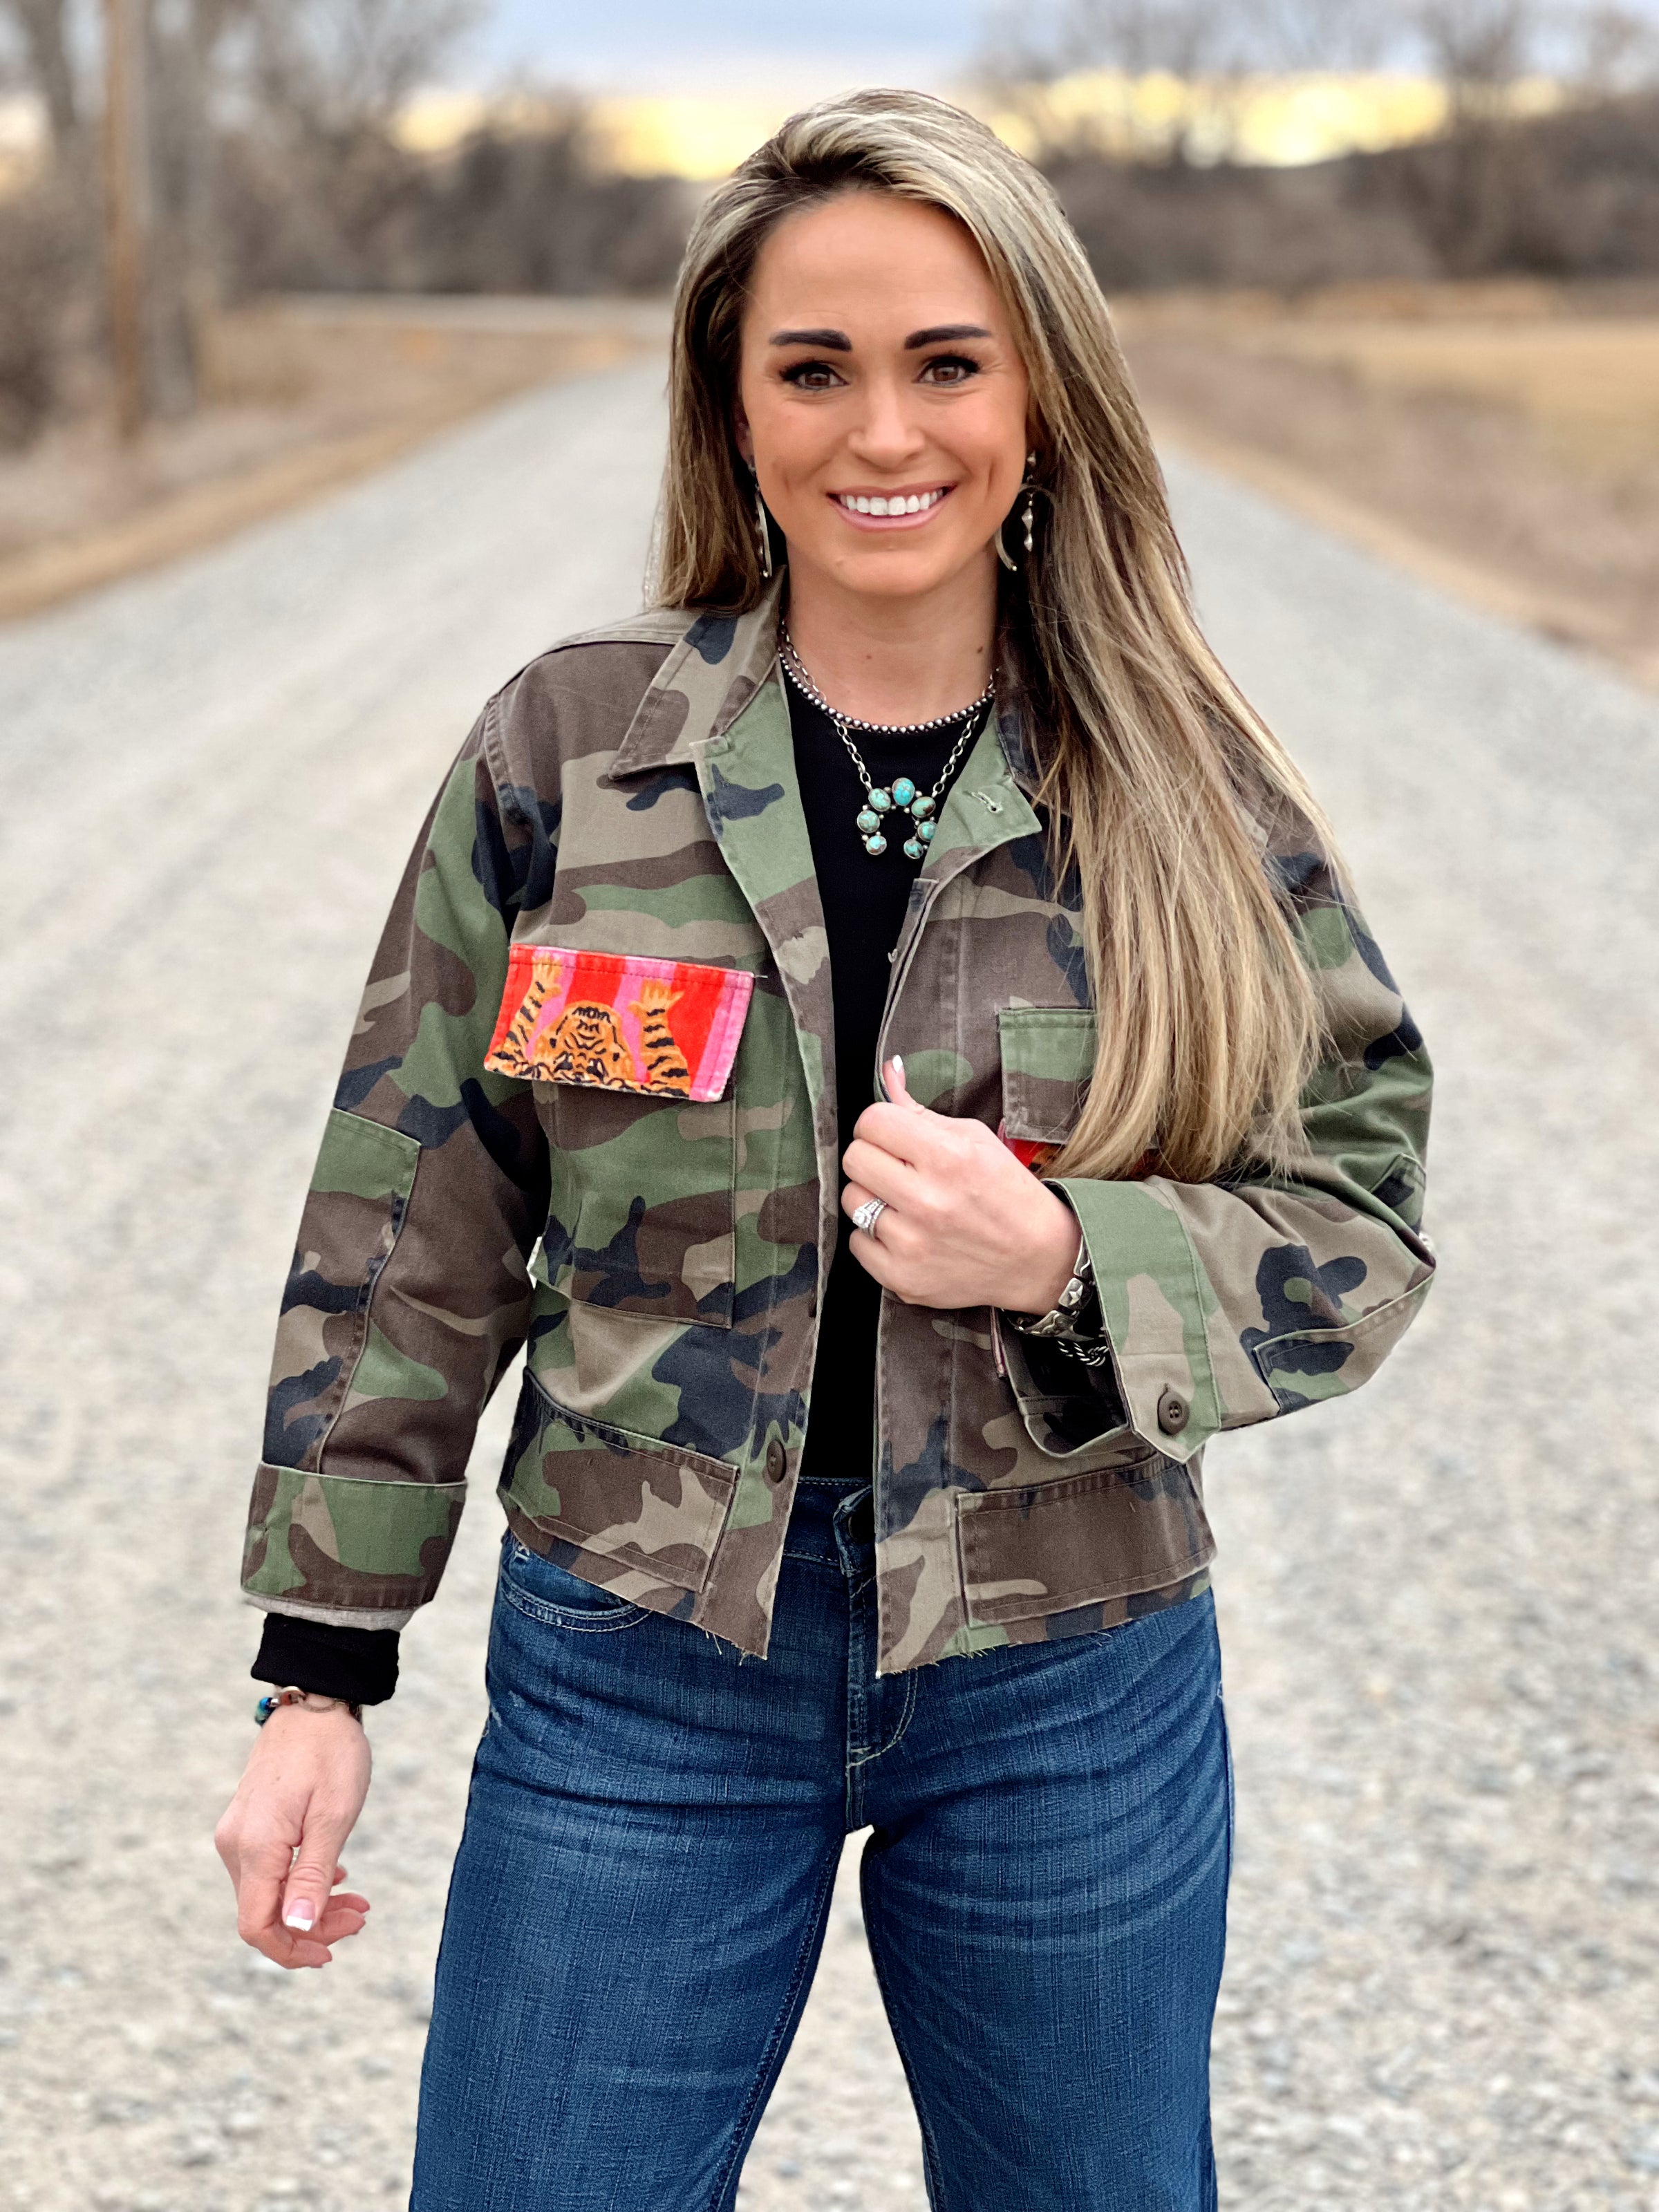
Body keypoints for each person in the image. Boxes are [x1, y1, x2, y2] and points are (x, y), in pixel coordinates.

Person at [214, 88, 1435, 2212]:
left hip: (1068, 1670)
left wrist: (1065, 1256)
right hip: (640, 1669)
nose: (885, 430)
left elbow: (1362, 1215)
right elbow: (411, 1220)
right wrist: (319, 1671)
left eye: (948, 364)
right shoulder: (571, 753)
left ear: (1039, 401)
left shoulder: (1184, 793)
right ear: (735, 407)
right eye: (815, 369)